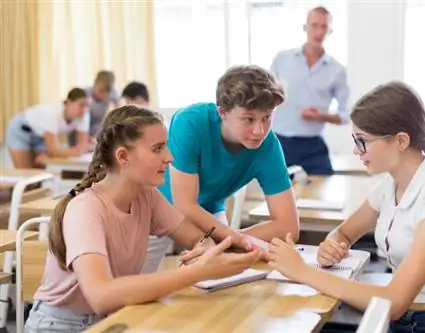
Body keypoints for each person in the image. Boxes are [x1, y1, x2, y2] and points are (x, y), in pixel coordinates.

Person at [24, 105, 262, 332]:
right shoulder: (86, 209)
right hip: (61, 327)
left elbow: (197, 238)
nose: (169, 157)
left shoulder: (146, 196)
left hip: (112, 317)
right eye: (158, 148)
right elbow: (101, 296)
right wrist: (197, 271)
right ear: (123, 156)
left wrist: (205, 249)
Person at [267, 81, 425, 333]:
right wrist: (332, 246)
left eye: (362, 141)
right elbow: (343, 232)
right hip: (402, 321)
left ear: (400, 140)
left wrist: (301, 271)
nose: (356, 150)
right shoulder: (390, 185)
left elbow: (395, 303)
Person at [149, 65, 299, 273]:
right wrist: (237, 239)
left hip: (209, 210)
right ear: (223, 112)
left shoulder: (269, 146)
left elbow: (289, 226)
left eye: (267, 117)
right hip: (156, 206)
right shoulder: (190, 121)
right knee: (132, 286)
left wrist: (233, 240)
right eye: (249, 119)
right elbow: (185, 205)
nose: (260, 130)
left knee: (222, 279)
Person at [270, 6, 349, 176]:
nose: (318, 31)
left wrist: (320, 116)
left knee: (325, 191)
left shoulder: (337, 70)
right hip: (280, 143)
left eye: (324, 27)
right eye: (314, 25)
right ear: (305, 27)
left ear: (330, 31)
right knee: (277, 195)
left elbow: (345, 115)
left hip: (313, 146)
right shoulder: (282, 59)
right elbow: (265, 97)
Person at [6, 87, 92, 168]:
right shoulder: (53, 113)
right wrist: (57, 153)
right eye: (81, 105)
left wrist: (52, 154)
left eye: (87, 106)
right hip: (20, 131)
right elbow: (55, 150)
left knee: (41, 170)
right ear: (68, 102)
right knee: (24, 172)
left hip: (40, 136)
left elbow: (81, 147)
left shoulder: (84, 116)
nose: (84, 110)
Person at [86, 70, 120, 137]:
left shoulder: (112, 93)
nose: (103, 95)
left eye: (107, 93)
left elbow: (120, 111)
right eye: (100, 91)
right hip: (82, 130)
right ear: (94, 84)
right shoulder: (86, 94)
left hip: (97, 131)